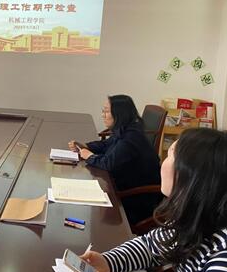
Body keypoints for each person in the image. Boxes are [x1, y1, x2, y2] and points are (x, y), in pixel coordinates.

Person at [75, 128, 227, 272]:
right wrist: (108, 262)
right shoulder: (199, 217)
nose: (162, 162)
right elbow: (149, 247)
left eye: (171, 155)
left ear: (193, 176)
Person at [69, 95, 161, 224]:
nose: (103, 115)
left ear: (119, 114)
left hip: (134, 199)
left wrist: (89, 156)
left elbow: (108, 163)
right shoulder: (125, 129)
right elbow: (106, 144)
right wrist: (86, 146)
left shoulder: (131, 138)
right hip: (123, 185)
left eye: (106, 111)